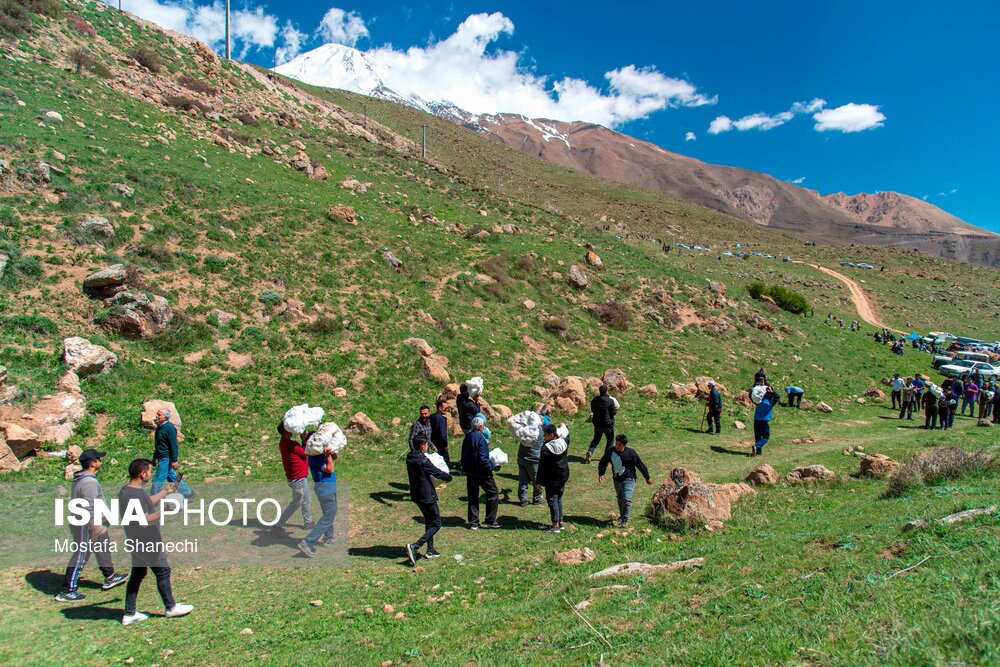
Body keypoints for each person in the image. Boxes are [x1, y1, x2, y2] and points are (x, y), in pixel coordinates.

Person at [118, 459, 194, 625]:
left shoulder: (128, 491)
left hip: (134, 541)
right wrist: (166, 510)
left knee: (137, 574)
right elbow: (144, 520)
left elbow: (147, 502)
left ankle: (129, 613)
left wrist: (165, 492)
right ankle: (171, 607)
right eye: (149, 472)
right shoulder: (135, 495)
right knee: (163, 571)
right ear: (142, 474)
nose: (150, 475)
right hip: (147, 542)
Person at [56, 449, 128, 602]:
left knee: (103, 546)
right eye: (98, 459)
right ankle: (68, 590)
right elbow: (89, 507)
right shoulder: (89, 482)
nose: (100, 461)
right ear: (93, 463)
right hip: (87, 524)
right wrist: (95, 527)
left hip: (92, 522)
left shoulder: (84, 478)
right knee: (82, 554)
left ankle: (110, 576)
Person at [405, 436, 452, 565]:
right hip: (427, 495)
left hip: (416, 495)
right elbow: (436, 472)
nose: (427, 447)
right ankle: (415, 546)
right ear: (422, 446)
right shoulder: (423, 460)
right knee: (437, 523)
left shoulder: (410, 457)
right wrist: (448, 477)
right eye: (426, 445)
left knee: (428, 520)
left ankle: (430, 549)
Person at [597, 434, 652, 528]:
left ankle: (624, 520)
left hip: (629, 479)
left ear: (624, 445)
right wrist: (601, 473)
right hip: (617, 480)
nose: (617, 446)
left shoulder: (631, 453)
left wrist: (647, 477)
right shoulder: (611, 451)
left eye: (619, 444)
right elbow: (603, 461)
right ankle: (622, 517)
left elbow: (640, 464)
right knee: (620, 498)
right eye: (616, 443)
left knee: (626, 498)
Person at [297, 438, 338, 557]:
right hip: (327, 490)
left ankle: (328, 537)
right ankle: (307, 542)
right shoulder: (317, 458)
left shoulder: (314, 454)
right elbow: (330, 469)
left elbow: (335, 457)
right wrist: (328, 456)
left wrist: (330, 452)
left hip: (322, 489)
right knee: (328, 516)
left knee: (327, 513)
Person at [274, 420, 313, 533]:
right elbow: (305, 453)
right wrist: (304, 438)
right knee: (297, 502)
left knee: (306, 499)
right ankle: (278, 525)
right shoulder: (291, 444)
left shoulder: (284, 443)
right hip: (298, 478)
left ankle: (308, 522)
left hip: (297, 477)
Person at [461, 417, 499, 530]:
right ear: (481, 427)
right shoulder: (480, 438)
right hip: (482, 472)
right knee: (493, 493)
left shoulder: (468, 437)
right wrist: (491, 466)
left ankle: (474, 522)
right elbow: (482, 458)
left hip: (470, 471)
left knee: (473, 496)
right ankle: (490, 520)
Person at [151, 409, 193, 498]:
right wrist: (155, 457)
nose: (156, 416)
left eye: (159, 415)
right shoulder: (159, 428)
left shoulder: (169, 428)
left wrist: (174, 460)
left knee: (158, 479)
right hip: (161, 456)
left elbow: (173, 445)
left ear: (165, 417)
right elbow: (158, 444)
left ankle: (154, 497)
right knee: (171, 476)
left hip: (166, 458)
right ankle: (187, 492)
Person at [537, 424, 569, 533]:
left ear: (551, 435)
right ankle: (560, 522)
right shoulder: (564, 443)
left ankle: (555, 525)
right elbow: (567, 435)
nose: (544, 437)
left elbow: (541, 466)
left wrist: (538, 481)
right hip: (563, 475)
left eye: (545, 435)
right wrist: (564, 426)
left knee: (552, 499)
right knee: (559, 498)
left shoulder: (546, 448)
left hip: (552, 478)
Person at [585, 385, 617, 463]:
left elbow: (592, 410)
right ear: (606, 391)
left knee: (596, 440)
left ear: (599, 391)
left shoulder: (594, 400)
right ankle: (606, 457)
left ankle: (590, 451)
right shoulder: (610, 401)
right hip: (607, 424)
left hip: (597, 424)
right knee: (610, 441)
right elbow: (613, 412)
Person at [516, 417, 544, 507]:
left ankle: (523, 499)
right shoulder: (540, 432)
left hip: (521, 457)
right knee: (537, 479)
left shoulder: (526, 429)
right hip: (533, 459)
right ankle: (537, 498)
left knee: (523, 479)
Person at [752, 387, 778, 457]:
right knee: (766, 437)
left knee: (758, 436)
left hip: (756, 420)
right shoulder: (769, 403)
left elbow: (752, 396)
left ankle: (758, 453)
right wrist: (772, 392)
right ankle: (757, 446)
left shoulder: (759, 402)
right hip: (764, 421)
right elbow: (777, 397)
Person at [429, 400, 451, 467]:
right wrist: (445, 445)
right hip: (440, 443)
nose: (447, 409)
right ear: (440, 408)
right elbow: (443, 434)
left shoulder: (431, 417)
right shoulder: (441, 419)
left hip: (432, 442)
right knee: (445, 462)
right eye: (445, 408)